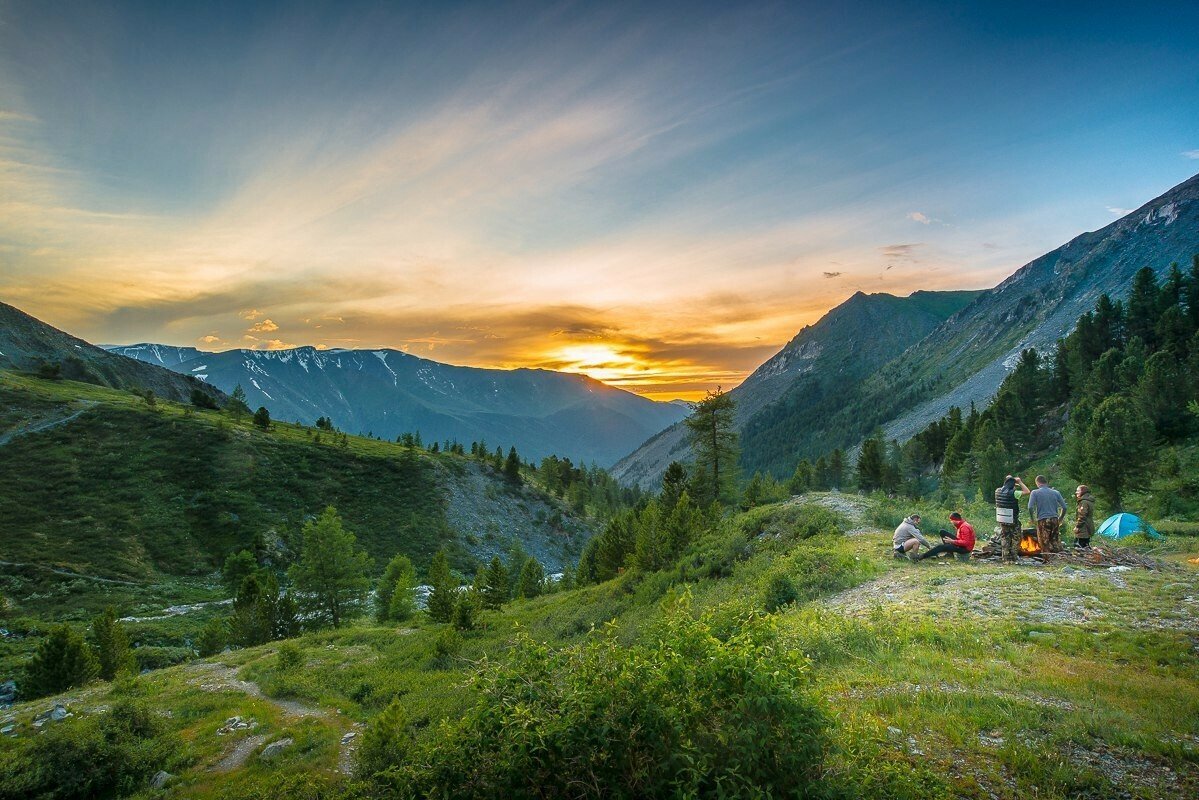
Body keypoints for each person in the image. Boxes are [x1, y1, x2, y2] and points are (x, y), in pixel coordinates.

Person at [1028, 475, 1067, 554]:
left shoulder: (1035, 492)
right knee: (1055, 540)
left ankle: (1047, 559)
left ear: (1037, 483)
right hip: (1054, 519)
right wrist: (1060, 518)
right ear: (1046, 483)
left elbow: (1030, 507)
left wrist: (1032, 519)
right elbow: (1064, 507)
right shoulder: (1056, 492)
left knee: (1044, 541)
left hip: (1043, 520)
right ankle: (1057, 559)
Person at [994, 475, 1028, 563]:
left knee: (1005, 538)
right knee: (1016, 538)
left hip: (1002, 518)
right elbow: (1027, 491)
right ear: (1013, 485)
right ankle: (1013, 558)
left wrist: (1010, 480)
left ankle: (1005, 558)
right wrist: (1019, 482)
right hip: (1012, 519)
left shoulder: (997, 491)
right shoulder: (1014, 493)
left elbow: (1006, 487)